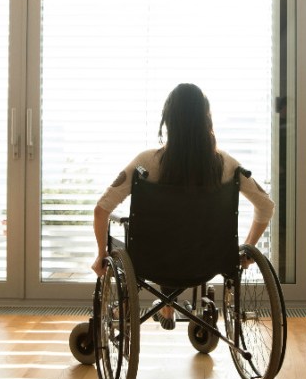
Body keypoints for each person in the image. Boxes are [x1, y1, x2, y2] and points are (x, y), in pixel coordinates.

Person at [90, 83, 275, 329]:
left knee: (151, 241)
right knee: (184, 239)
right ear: (207, 120)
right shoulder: (228, 166)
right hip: (208, 261)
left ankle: (146, 305)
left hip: (154, 261)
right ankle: (168, 305)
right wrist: (246, 250)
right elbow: (266, 205)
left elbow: (101, 210)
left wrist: (101, 255)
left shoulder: (146, 164)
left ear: (168, 121)